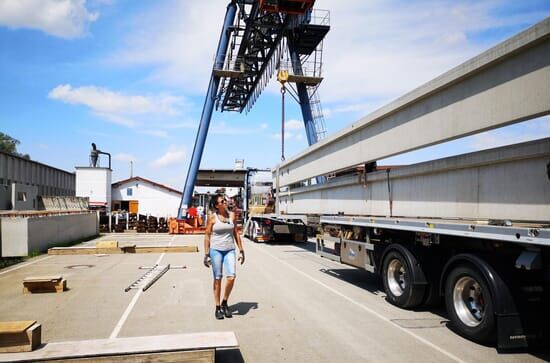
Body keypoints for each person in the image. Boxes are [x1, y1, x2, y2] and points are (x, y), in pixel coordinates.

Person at [203, 194, 245, 319]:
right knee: (218, 278)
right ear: (217, 205)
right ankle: (217, 307)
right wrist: (206, 254)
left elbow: (236, 233)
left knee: (231, 277)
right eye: (223, 201)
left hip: (230, 250)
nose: (226, 202)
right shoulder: (212, 218)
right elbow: (207, 236)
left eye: (225, 200)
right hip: (216, 251)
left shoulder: (232, 215)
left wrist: (241, 250)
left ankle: (224, 302)